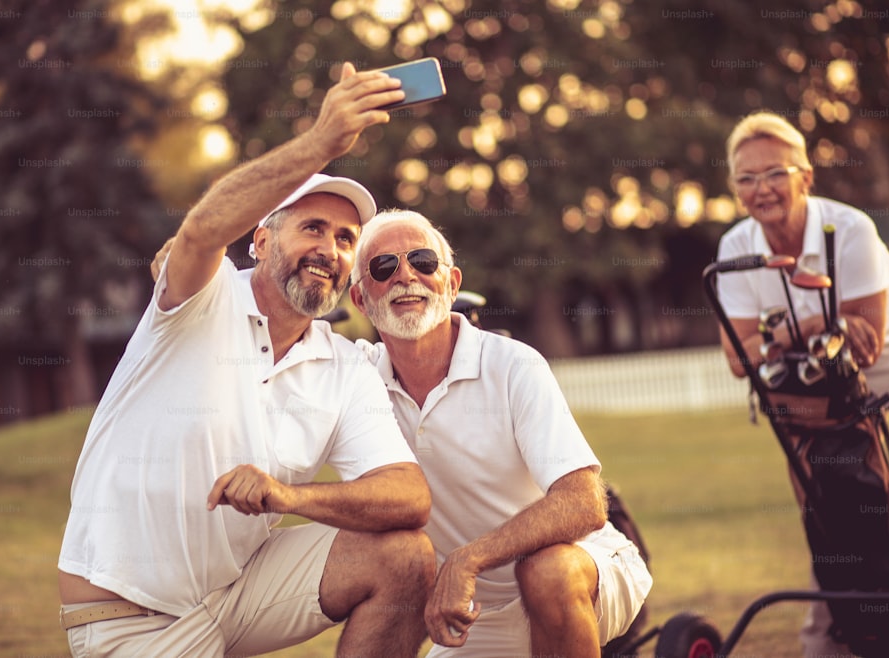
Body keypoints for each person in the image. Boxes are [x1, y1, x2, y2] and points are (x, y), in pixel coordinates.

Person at [57, 63, 437, 657]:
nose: (329, 250)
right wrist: (320, 143)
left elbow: (409, 495)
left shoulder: (343, 366)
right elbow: (203, 230)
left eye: (345, 240)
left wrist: (291, 498)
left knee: (406, 554)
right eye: (312, 227)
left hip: (236, 593)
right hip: (127, 616)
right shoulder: (201, 298)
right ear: (260, 241)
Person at [348, 209, 653, 657]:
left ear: (451, 283)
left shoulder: (514, 364)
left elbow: (585, 501)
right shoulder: (354, 380)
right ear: (359, 299)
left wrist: (469, 558)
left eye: (423, 262)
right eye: (383, 267)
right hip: (478, 612)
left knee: (546, 571)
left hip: (579, 568)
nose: (405, 276)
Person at [714, 110, 889, 657]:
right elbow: (736, 357)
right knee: (837, 523)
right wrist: (815, 329)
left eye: (774, 173)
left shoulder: (849, 229)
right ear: (734, 188)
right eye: (746, 179)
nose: (761, 189)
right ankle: (828, 643)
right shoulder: (736, 249)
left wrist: (789, 337)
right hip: (835, 401)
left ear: (805, 176)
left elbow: (867, 341)